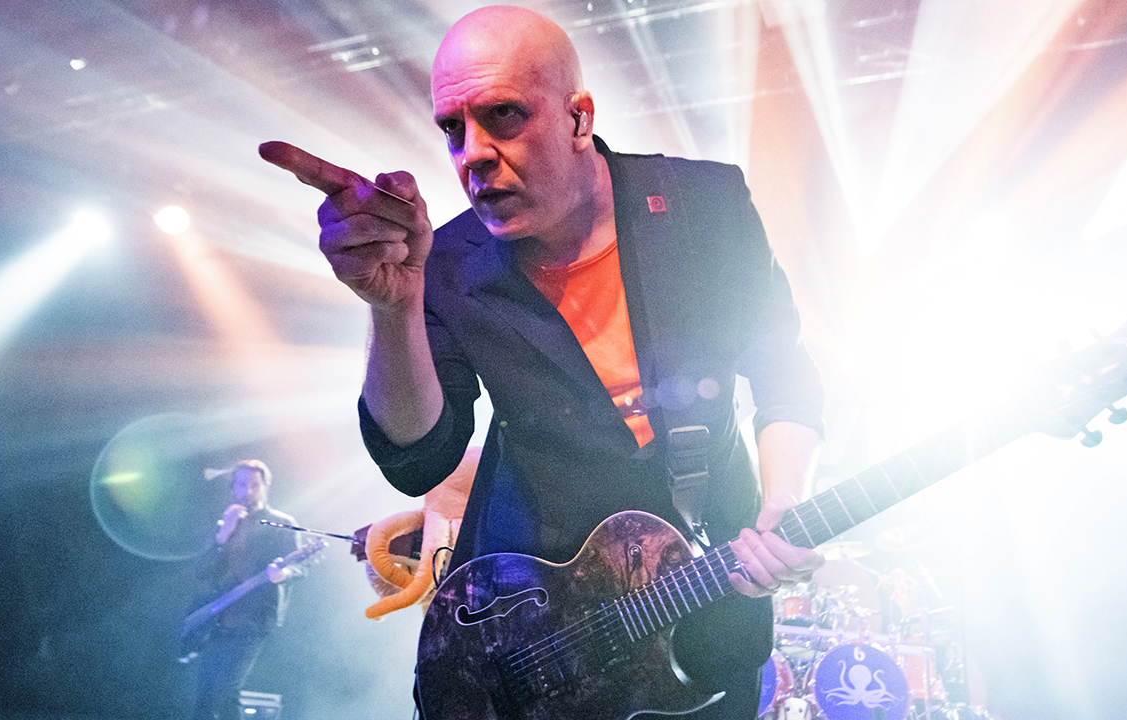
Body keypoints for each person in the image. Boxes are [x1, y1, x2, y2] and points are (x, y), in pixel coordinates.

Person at [263, 6, 825, 717]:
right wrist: (393, 306)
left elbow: (782, 368)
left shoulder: (701, 207)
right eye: (451, 127)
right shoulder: (451, 263)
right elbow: (418, 457)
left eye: (502, 115)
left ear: (579, 118)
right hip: (527, 634)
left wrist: (784, 499)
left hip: (704, 602)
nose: (471, 151)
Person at [189, 460, 302, 720]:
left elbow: (300, 568)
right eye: (241, 484)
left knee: (227, 690)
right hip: (217, 619)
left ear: (265, 488)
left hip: (253, 621)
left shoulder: (281, 523)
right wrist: (222, 535)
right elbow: (201, 571)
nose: (248, 490)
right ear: (232, 487)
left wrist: (283, 573)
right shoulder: (223, 521)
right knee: (204, 697)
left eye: (254, 485)